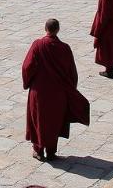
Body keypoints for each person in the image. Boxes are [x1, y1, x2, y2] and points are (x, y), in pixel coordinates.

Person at [22, 18, 90, 162]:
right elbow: (72, 71)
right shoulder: (65, 48)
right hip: (58, 92)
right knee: (54, 120)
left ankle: (38, 150)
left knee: (39, 120)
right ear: (58, 30)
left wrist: (27, 83)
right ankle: (51, 151)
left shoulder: (38, 45)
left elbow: (27, 67)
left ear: (45, 28)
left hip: (39, 91)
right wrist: (71, 88)